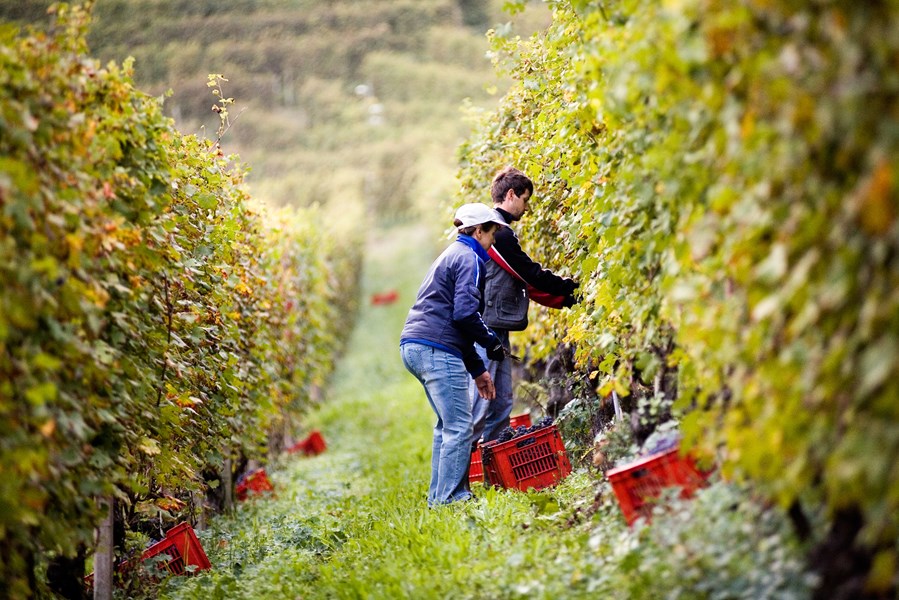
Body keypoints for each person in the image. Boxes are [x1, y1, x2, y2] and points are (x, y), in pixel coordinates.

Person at [400, 203, 510, 506]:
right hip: (436, 348)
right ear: (477, 231)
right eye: (491, 233)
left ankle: (439, 497)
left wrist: (478, 370)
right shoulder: (470, 258)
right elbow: (465, 315)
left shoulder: (451, 254)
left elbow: (453, 319)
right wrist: (491, 342)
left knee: (446, 427)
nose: (493, 240)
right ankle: (451, 499)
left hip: (414, 345)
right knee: (460, 426)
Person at [471, 167, 579, 449]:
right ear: (510, 195)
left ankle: (493, 474)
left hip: (497, 326)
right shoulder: (499, 233)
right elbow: (529, 274)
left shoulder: (497, 230)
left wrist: (565, 300)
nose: (527, 207)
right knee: (482, 404)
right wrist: (572, 289)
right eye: (525, 199)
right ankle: (456, 483)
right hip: (488, 326)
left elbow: (524, 284)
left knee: (501, 401)